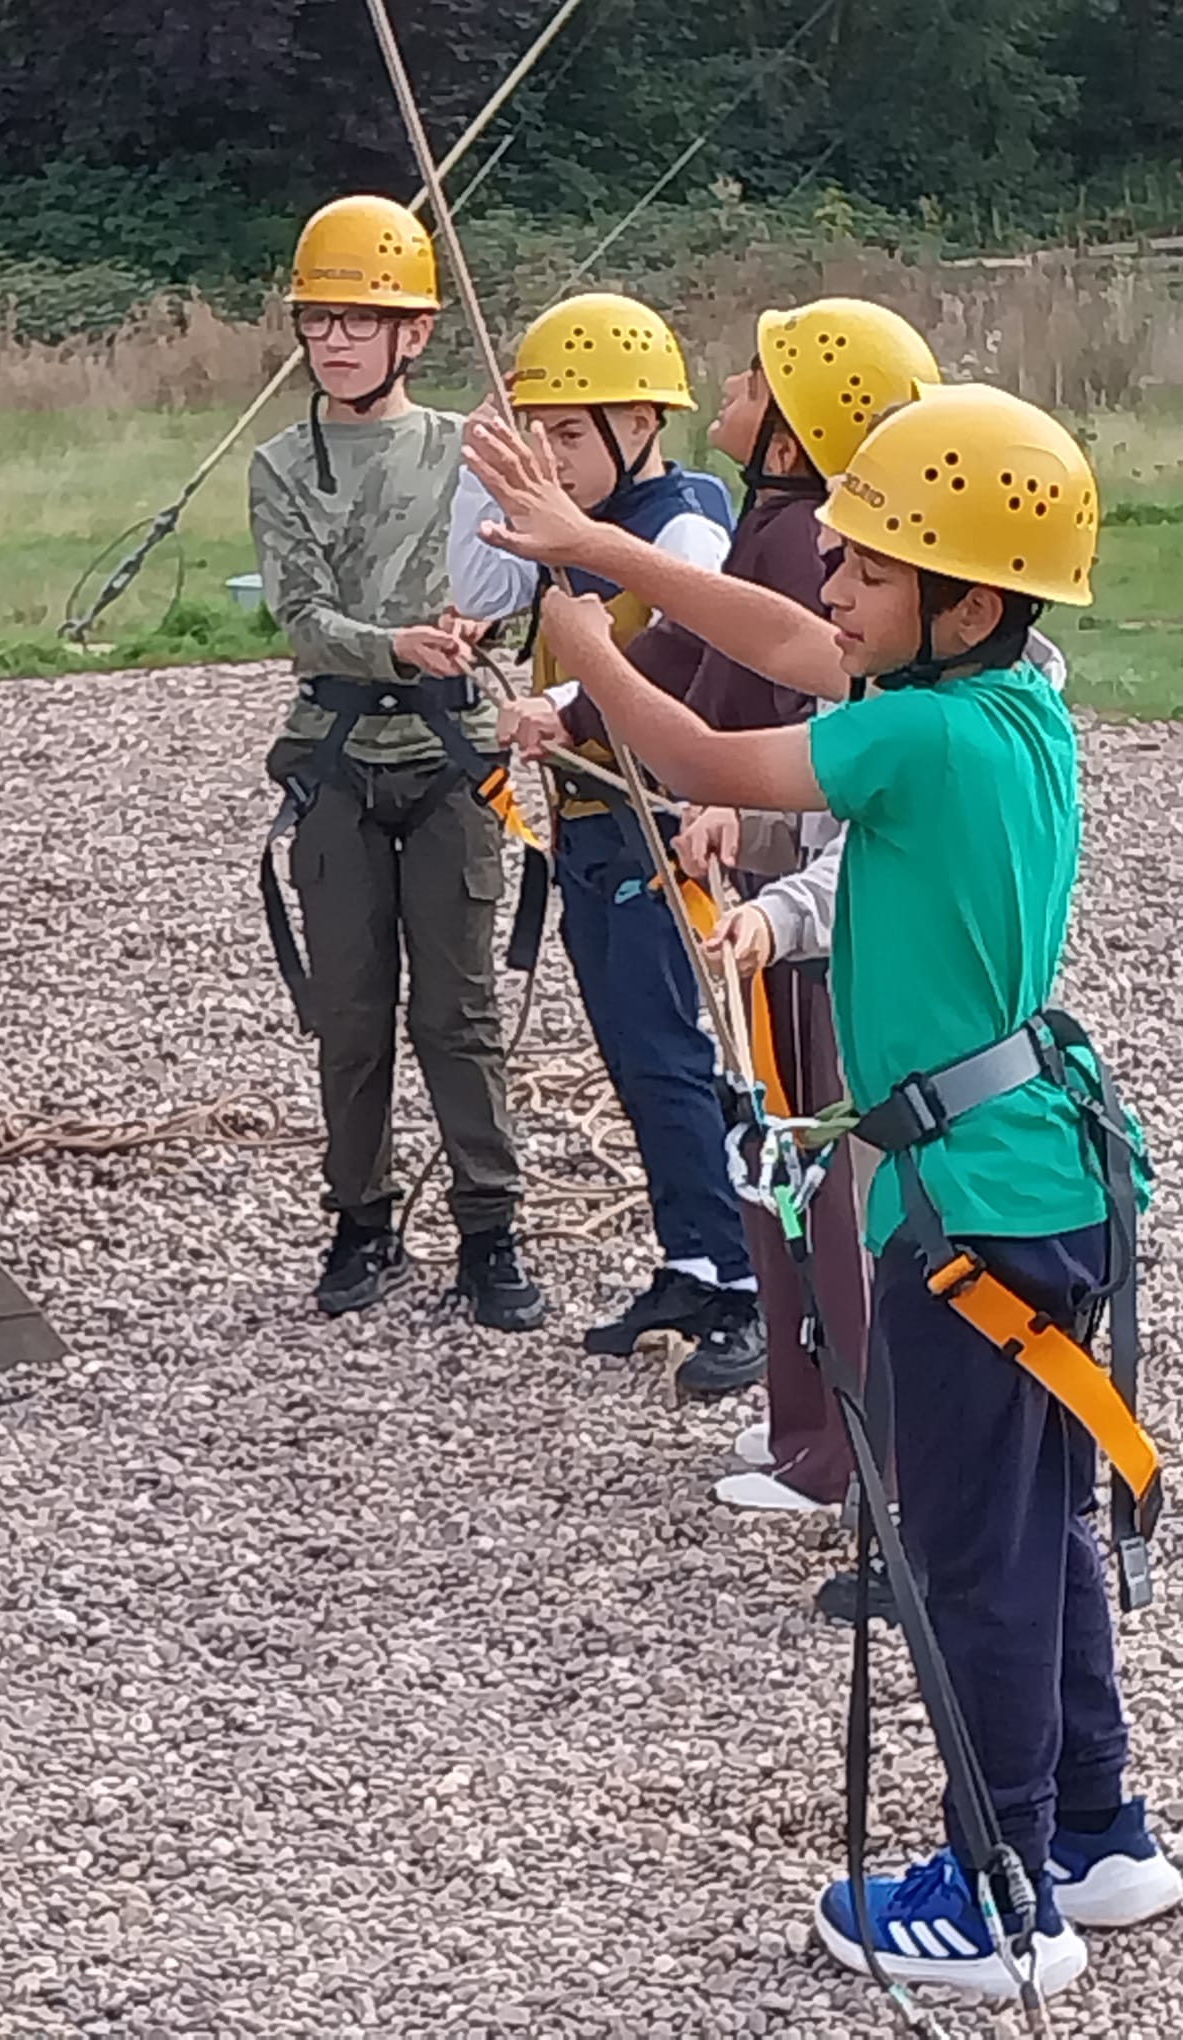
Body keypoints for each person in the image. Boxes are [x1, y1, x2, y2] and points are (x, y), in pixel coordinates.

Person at [462, 381, 1181, 1998]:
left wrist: (583, 649)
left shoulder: (916, 731)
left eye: (864, 566)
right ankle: (1089, 1830)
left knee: (972, 1552)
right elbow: (798, 651)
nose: (830, 589)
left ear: (962, 600)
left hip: (963, 1210)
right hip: (1034, 1177)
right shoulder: (1009, 705)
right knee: (1034, 1523)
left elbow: (717, 740)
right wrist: (593, 540)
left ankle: (1000, 1901)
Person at [631, 299, 940, 1450]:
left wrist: (578, 591)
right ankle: (821, 1444)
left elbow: (738, 718)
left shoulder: (823, 562)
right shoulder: (800, 539)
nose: (838, 588)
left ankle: (855, 1460)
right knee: (791, 1178)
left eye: (759, 378)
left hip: (821, 951)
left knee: (833, 1197)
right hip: (786, 908)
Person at [448, 293, 764, 1394]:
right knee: (636, 1054)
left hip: (650, 822)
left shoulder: (685, 519)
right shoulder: (561, 519)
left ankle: (742, 1277)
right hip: (585, 825)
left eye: (570, 434)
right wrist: (491, 472)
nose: (554, 456)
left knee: (681, 1054)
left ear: (640, 424)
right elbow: (476, 582)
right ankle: (689, 1254)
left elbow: (685, 638)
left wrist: (571, 704)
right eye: (541, 433)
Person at [250, 194, 545, 1332]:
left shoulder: (469, 451)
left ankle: (491, 1228)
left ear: (412, 334)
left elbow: (522, 576)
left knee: (458, 1012)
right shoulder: (283, 465)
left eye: (358, 321)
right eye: (319, 319)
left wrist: (479, 632)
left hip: (450, 756)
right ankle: (361, 1221)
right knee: (352, 1011)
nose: (333, 340)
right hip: (337, 760)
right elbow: (301, 614)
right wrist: (391, 645)